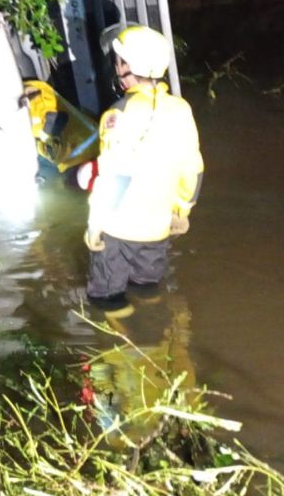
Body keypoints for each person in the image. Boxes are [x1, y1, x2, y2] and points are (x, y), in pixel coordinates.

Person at [84, 25, 203, 309]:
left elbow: (115, 175)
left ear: (126, 67)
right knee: (148, 290)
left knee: (105, 299)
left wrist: (95, 224)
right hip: (158, 228)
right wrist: (182, 210)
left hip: (118, 230)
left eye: (118, 60)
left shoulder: (118, 114)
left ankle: (117, 339)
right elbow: (193, 169)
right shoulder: (181, 109)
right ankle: (153, 336)